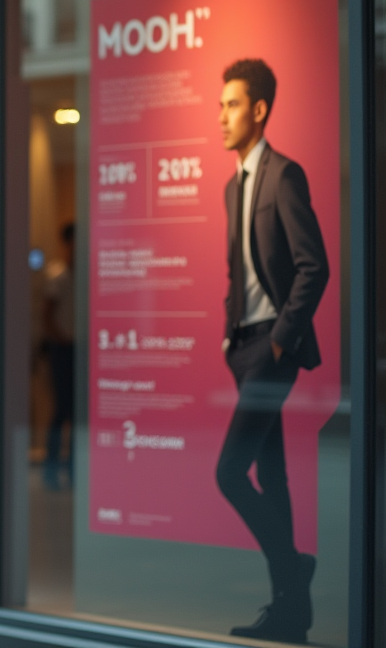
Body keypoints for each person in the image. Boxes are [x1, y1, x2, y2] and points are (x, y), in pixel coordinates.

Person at [215, 58, 328, 642]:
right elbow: (242, 270)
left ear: (258, 109)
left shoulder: (284, 175)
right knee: (273, 475)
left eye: (232, 104)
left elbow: (315, 266)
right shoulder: (235, 183)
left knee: (230, 472)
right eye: (221, 104)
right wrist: (231, 331)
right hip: (246, 348)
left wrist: (281, 341)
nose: (222, 115)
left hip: (273, 350)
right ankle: (291, 612)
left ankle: (291, 566)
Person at [43, 222, 75, 490]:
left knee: (77, 414)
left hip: (82, 350)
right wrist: (62, 339)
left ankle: (75, 469)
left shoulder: (86, 274)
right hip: (63, 349)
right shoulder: (58, 275)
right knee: (61, 410)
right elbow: (47, 315)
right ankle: (51, 469)